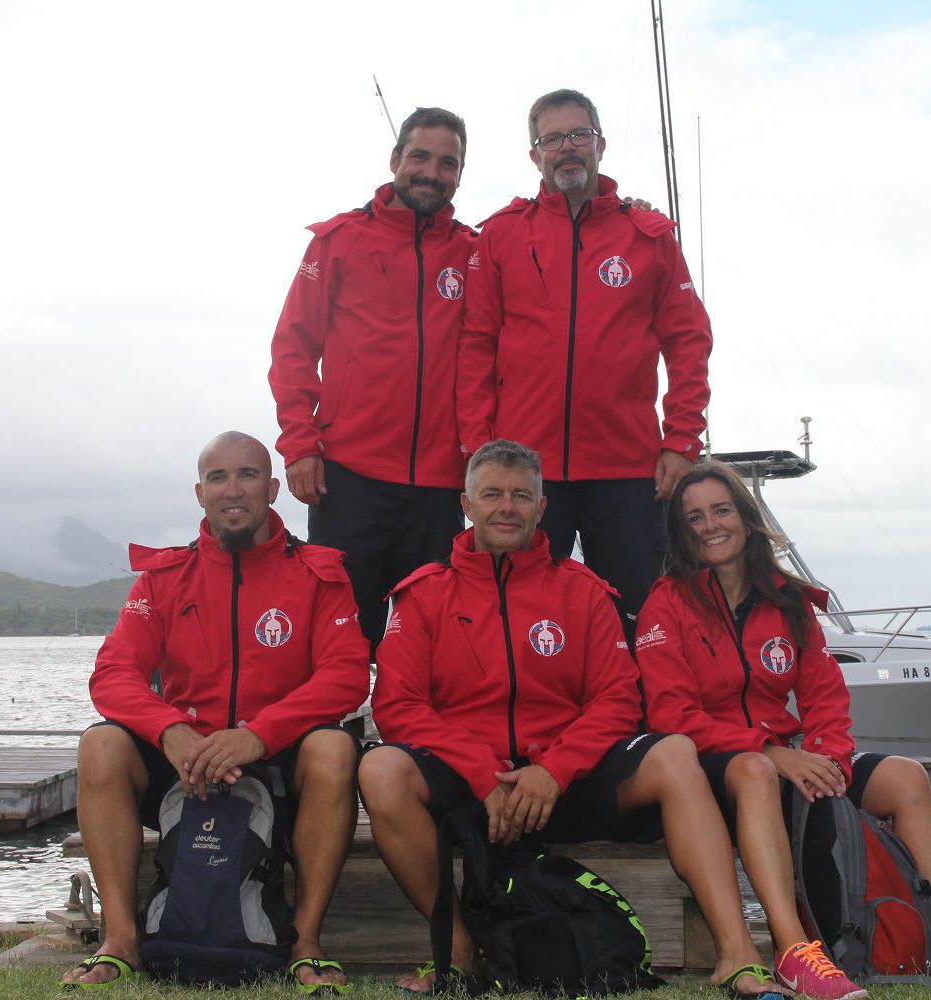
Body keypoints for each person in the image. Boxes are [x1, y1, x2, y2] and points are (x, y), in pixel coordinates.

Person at [359, 440, 793, 999]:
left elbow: (617, 698)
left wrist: (555, 769)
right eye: (492, 494)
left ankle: (736, 954)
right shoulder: (423, 594)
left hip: (567, 780)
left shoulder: (583, 591)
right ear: (466, 504)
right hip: (474, 791)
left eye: (522, 496)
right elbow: (398, 706)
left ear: (543, 509)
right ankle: (460, 952)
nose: (507, 508)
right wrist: (482, 773)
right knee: (380, 770)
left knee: (674, 753)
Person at [635, 462, 931, 997]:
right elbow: (670, 714)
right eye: (693, 517)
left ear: (746, 517)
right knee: (754, 768)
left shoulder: (788, 601)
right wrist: (769, 750)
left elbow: (825, 695)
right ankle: (793, 952)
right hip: (717, 766)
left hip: (788, 758)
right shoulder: (665, 603)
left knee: (905, 778)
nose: (710, 525)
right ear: (681, 531)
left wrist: (829, 758)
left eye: (721, 510)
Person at [61, 432, 370, 991]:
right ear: (199, 493)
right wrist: (171, 731)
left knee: (334, 746)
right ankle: (121, 939)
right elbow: (113, 674)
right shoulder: (164, 578)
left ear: (273, 489)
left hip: (277, 762)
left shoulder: (318, 573)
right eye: (218, 478)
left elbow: (346, 674)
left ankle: (304, 942)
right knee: (100, 743)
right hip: (188, 765)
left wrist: (260, 734)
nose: (234, 490)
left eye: (248, 475)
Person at [456, 88, 712, 643]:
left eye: (578, 135)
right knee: (516, 611)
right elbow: (475, 344)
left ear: (600, 144)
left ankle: (644, 726)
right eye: (552, 139)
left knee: (639, 614)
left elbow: (688, 340)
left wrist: (681, 439)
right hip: (527, 471)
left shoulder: (650, 236)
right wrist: (481, 449)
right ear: (534, 155)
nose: (566, 148)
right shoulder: (501, 235)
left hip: (626, 466)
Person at [269, 107, 475, 651]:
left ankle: (414, 738)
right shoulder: (336, 241)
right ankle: (331, 736)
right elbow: (292, 346)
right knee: (341, 634)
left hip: (439, 487)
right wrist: (299, 446)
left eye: (447, 162)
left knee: (427, 639)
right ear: (395, 160)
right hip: (348, 476)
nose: (432, 172)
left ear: (460, 172)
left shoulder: (475, 253)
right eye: (420, 157)